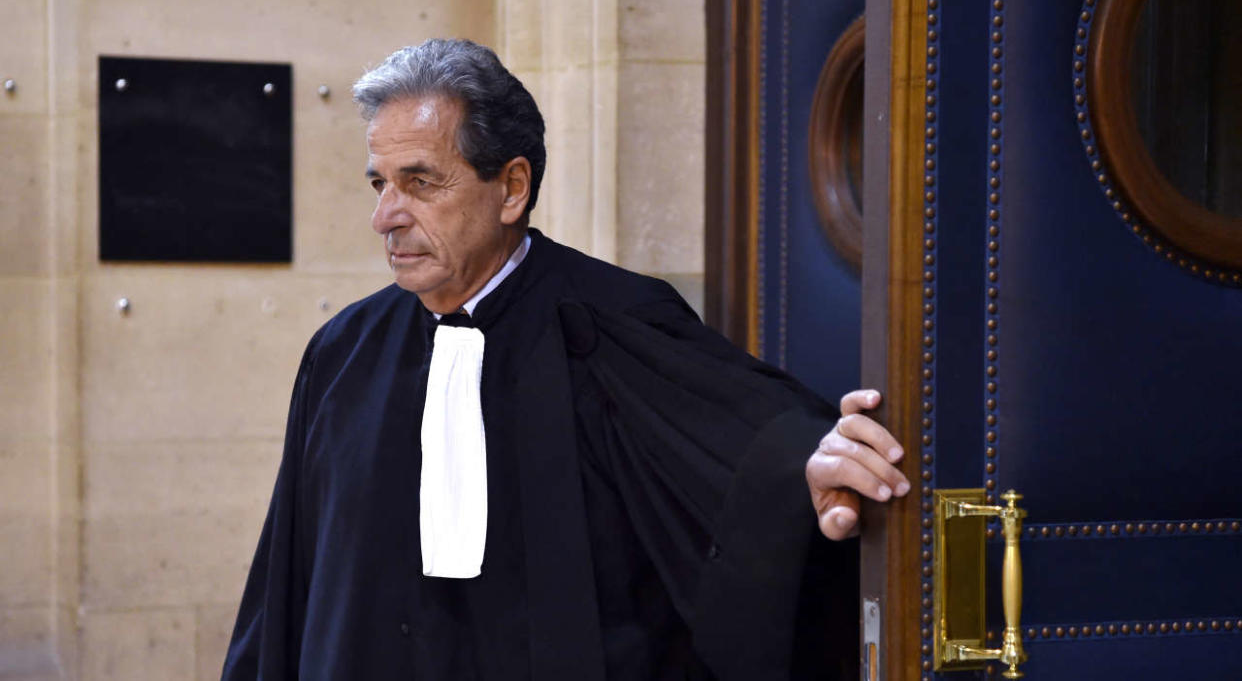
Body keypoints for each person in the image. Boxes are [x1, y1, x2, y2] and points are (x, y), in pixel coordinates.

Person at [221, 38, 907, 681]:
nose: (386, 216)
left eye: (419, 182)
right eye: (380, 184)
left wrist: (806, 468)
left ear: (512, 187)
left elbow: (740, 446)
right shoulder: (342, 353)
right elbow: (289, 581)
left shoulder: (612, 321)